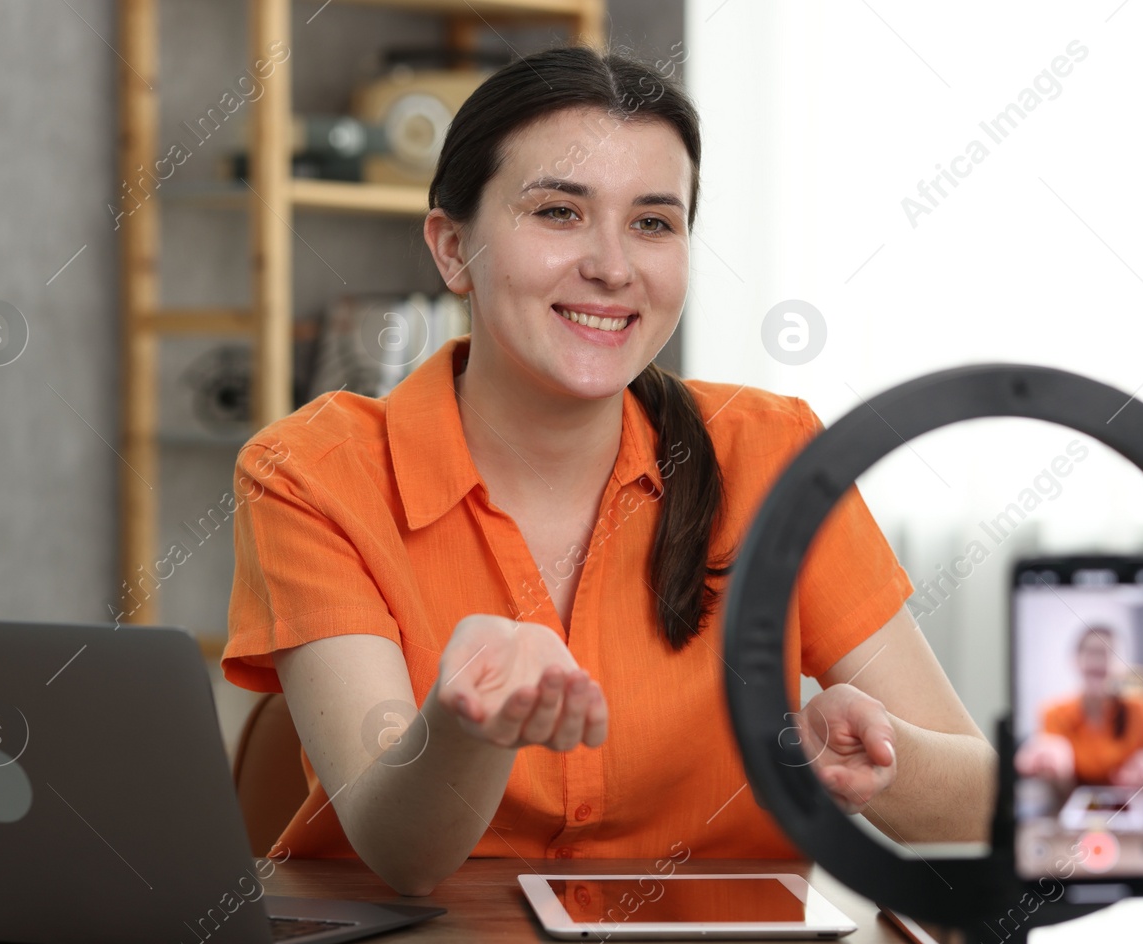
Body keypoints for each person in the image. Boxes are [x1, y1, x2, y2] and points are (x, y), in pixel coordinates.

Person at [220, 45, 996, 897]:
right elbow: (399, 849)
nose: (613, 266)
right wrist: (465, 718)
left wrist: (884, 757)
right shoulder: (312, 477)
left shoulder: (771, 455)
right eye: (558, 212)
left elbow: (981, 805)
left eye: (654, 223)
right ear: (450, 249)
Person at [1015, 625, 1143, 788]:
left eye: (1108, 653)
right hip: (1071, 808)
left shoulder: (1138, 709)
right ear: (1076, 660)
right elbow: (1035, 758)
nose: (1098, 662)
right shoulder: (1055, 713)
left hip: (1130, 808)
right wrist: (1048, 766)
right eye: (1091, 653)